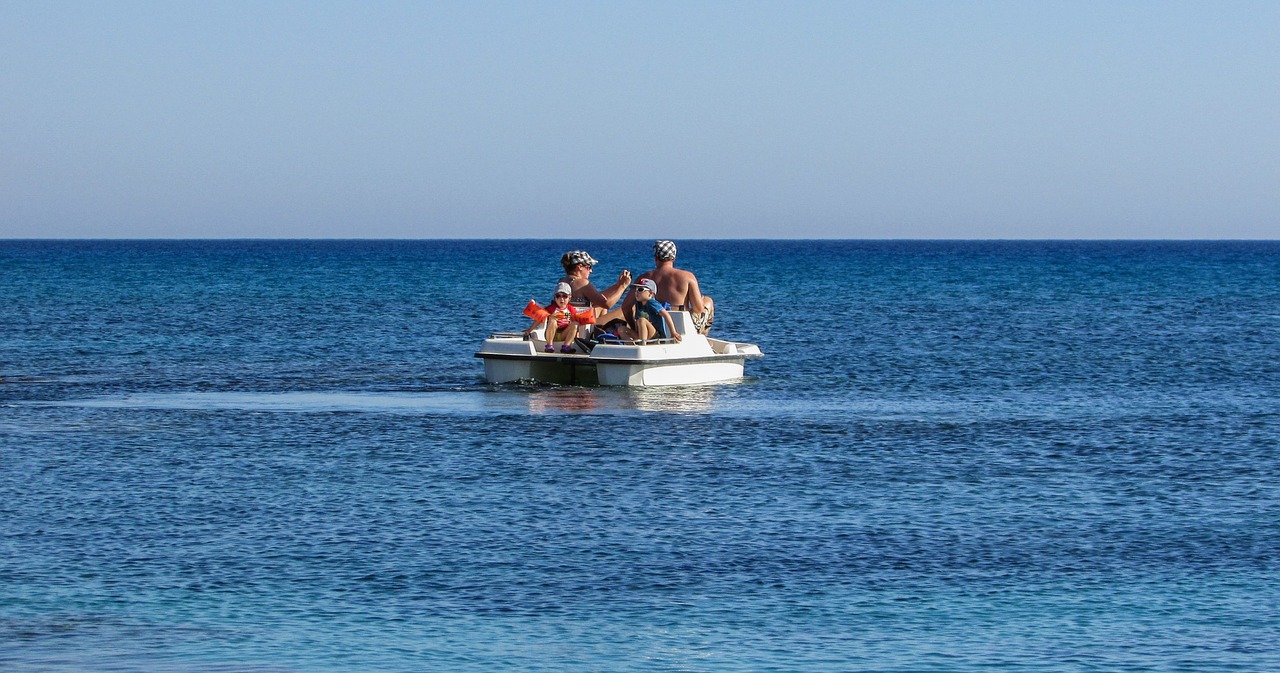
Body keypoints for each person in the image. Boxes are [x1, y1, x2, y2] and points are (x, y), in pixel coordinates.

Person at [626, 240, 714, 334]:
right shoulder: (687, 277)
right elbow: (698, 309)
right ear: (674, 257)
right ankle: (702, 337)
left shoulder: (643, 279)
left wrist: (634, 327)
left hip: (654, 329)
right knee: (708, 301)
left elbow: (626, 307)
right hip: (681, 328)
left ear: (656, 258)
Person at [558, 250, 631, 321]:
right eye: (589, 267)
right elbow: (607, 304)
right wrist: (623, 286)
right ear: (580, 267)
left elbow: (597, 297)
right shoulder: (582, 283)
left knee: (601, 307)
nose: (591, 271)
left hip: (569, 319)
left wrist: (617, 285)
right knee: (628, 308)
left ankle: (599, 331)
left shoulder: (563, 281)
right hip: (581, 323)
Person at [523, 282, 591, 353]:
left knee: (575, 323)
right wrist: (529, 330)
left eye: (564, 296)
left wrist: (577, 336)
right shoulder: (551, 309)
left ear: (569, 297)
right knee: (552, 320)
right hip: (552, 334)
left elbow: (575, 325)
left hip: (564, 334)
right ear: (555, 298)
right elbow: (539, 319)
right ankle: (549, 345)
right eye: (558, 296)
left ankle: (566, 346)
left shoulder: (571, 309)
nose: (561, 299)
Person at [626, 278, 680, 345]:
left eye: (640, 290)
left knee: (642, 320)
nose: (636, 293)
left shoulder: (652, 302)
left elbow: (666, 315)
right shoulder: (638, 304)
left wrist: (673, 332)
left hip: (656, 336)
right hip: (643, 335)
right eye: (636, 290)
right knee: (621, 329)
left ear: (651, 293)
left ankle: (643, 344)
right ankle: (631, 345)